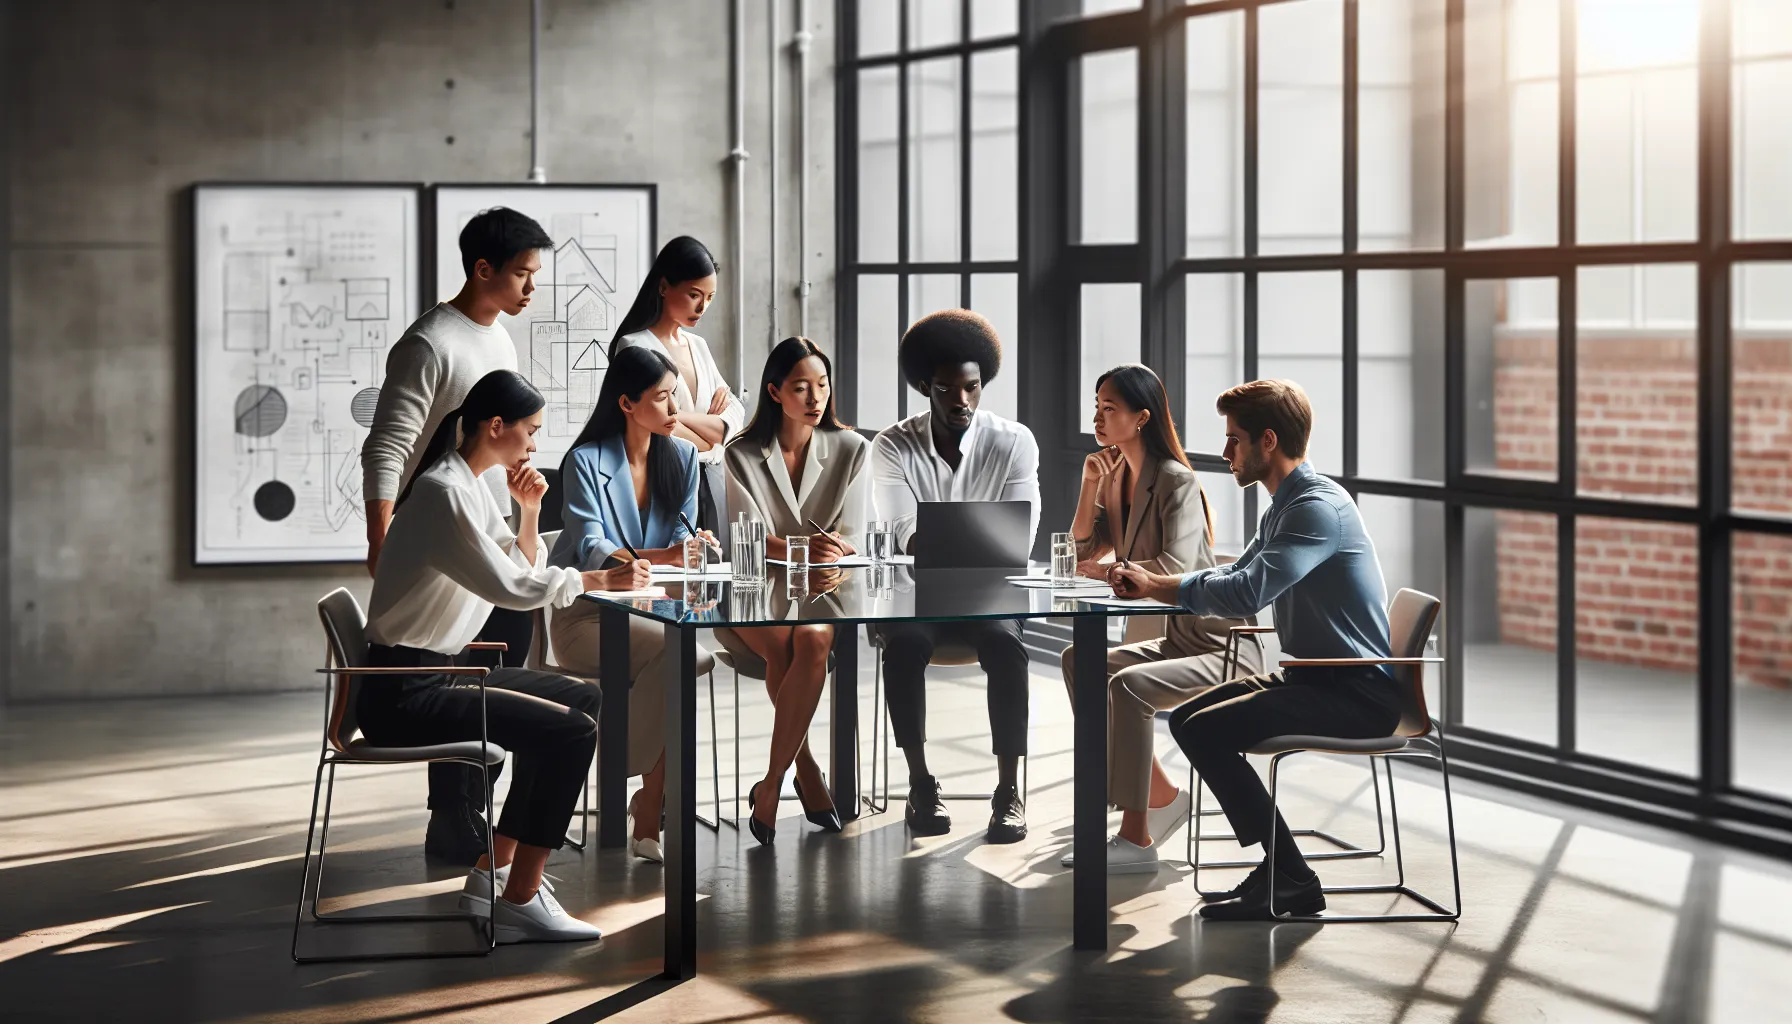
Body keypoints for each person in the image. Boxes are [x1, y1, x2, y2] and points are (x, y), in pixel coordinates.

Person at [362, 369, 647, 943]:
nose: (537, 444)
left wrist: (529, 514)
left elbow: (517, 570)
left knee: (584, 697)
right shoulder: (445, 491)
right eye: (532, 430)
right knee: (568, 732)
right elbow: (512, 590)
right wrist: (598, 581)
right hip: (405, 692)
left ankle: (492, 868)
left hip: (438, 674)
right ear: (498, 426)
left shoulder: (464, 484)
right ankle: (521, 895)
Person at [1110, 379, 1399, 921]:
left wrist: (1155, 587)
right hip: (1316, 678)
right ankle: (1282, 871)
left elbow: (1247, 592)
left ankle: (1291, 876)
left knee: (1200, 728)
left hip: (1359, 691)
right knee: (1190, 718)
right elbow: (1235, 573)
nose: (1225, 454)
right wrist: (1153, 582)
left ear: (1268, 441)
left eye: (1233, 440)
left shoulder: (1316, 511)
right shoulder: (1286, 506)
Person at [359, 206, 556, 864]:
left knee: (495, 680)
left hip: (492, 530)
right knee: (453, 681)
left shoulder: (498, 339)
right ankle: (454, 820)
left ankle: (478, 816)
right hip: (447, 539)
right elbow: (388, 443)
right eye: (523, 275)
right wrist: (381, 534)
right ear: (483, 270)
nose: (532, 288)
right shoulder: (431, 342)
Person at [1058, 365, 1261, 874]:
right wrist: (1088, 485)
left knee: (1126, 686)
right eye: (1096, 407)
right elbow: (1083, 548)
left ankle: (1137, 837)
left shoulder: (1176, 481)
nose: (1099, 418)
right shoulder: (1117, 476)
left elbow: (1178, 568)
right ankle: (1163, 794)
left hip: (1220, 643)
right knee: (1079, 659)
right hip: (1177, 636)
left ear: (1142, 417)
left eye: (1110, 409)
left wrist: (1110, 572)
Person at [871, 309, 1040, 843]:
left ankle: (1008, 790)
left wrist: (937, 537)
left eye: (971, 388)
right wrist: (976, 536)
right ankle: (921, 783)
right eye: (947, 389)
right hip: (916, 599)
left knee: (1007, 649)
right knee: (902, 649)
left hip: (990, 598)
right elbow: (902, 531)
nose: (960, 400)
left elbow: (1022, 540)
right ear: (926, 386)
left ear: (982, 384)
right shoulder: (893, 445)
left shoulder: (1013, 442)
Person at [547, 344, 718, 864]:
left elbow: (684, 540)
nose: (674, 412)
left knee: (680, 656)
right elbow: (591, 545)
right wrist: (663, 554)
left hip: (655, 611)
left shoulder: (684, 458)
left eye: (674, 398)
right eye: (663, 399)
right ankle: (639, 798)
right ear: (626, 403)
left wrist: (694, 548)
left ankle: (645, 801)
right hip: (588, 615)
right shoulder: (584, 461)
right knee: (685, 658)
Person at [720, 337, 870, 846]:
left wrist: (838, 550)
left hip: (823, 591)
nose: (815, 397)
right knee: (783, 643)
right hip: (750, 590)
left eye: (822, 386)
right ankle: (804, 774)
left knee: (811, 640)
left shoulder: (852, 449)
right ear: (774, 392)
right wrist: (810, 547)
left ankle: (771, 785)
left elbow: (854, 534)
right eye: (801, 387)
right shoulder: (740, 453)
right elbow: (748, 538)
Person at [608, 236, 744, 533]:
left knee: (718, 567)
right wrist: (710, 428)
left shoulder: (699, 346)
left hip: (717, 481)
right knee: (674, 566)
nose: (702, 306)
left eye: (709, 297)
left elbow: (734, 417)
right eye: (694, 295)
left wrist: (677, 416)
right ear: (664, 287)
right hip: (665, 478)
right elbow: (665, 431)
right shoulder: (635, 346)